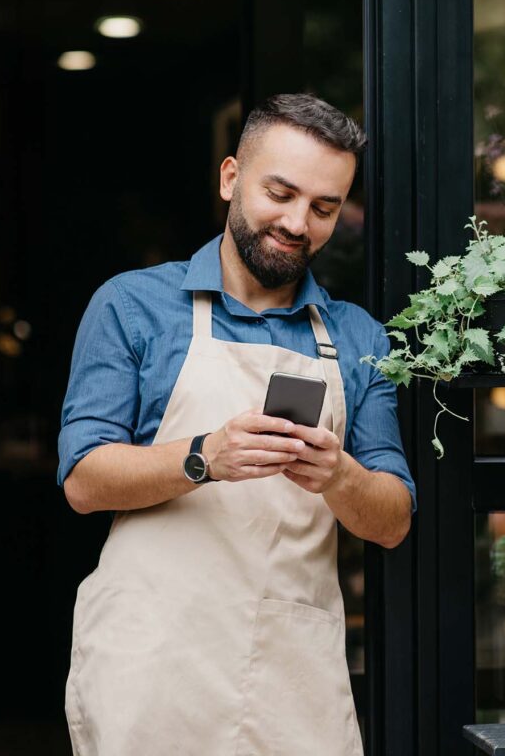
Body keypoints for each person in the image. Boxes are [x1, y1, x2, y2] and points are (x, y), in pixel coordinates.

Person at [58, 93, 415, 756]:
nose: (297, 222)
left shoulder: (358, 338)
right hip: (151, 664)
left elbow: (391, 521)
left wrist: (338, 475)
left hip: (292, 671)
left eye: (324, 207)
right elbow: (84, 480)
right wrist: (204, 457)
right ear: (230, 177)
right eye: (279, 192)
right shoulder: (132, 306)